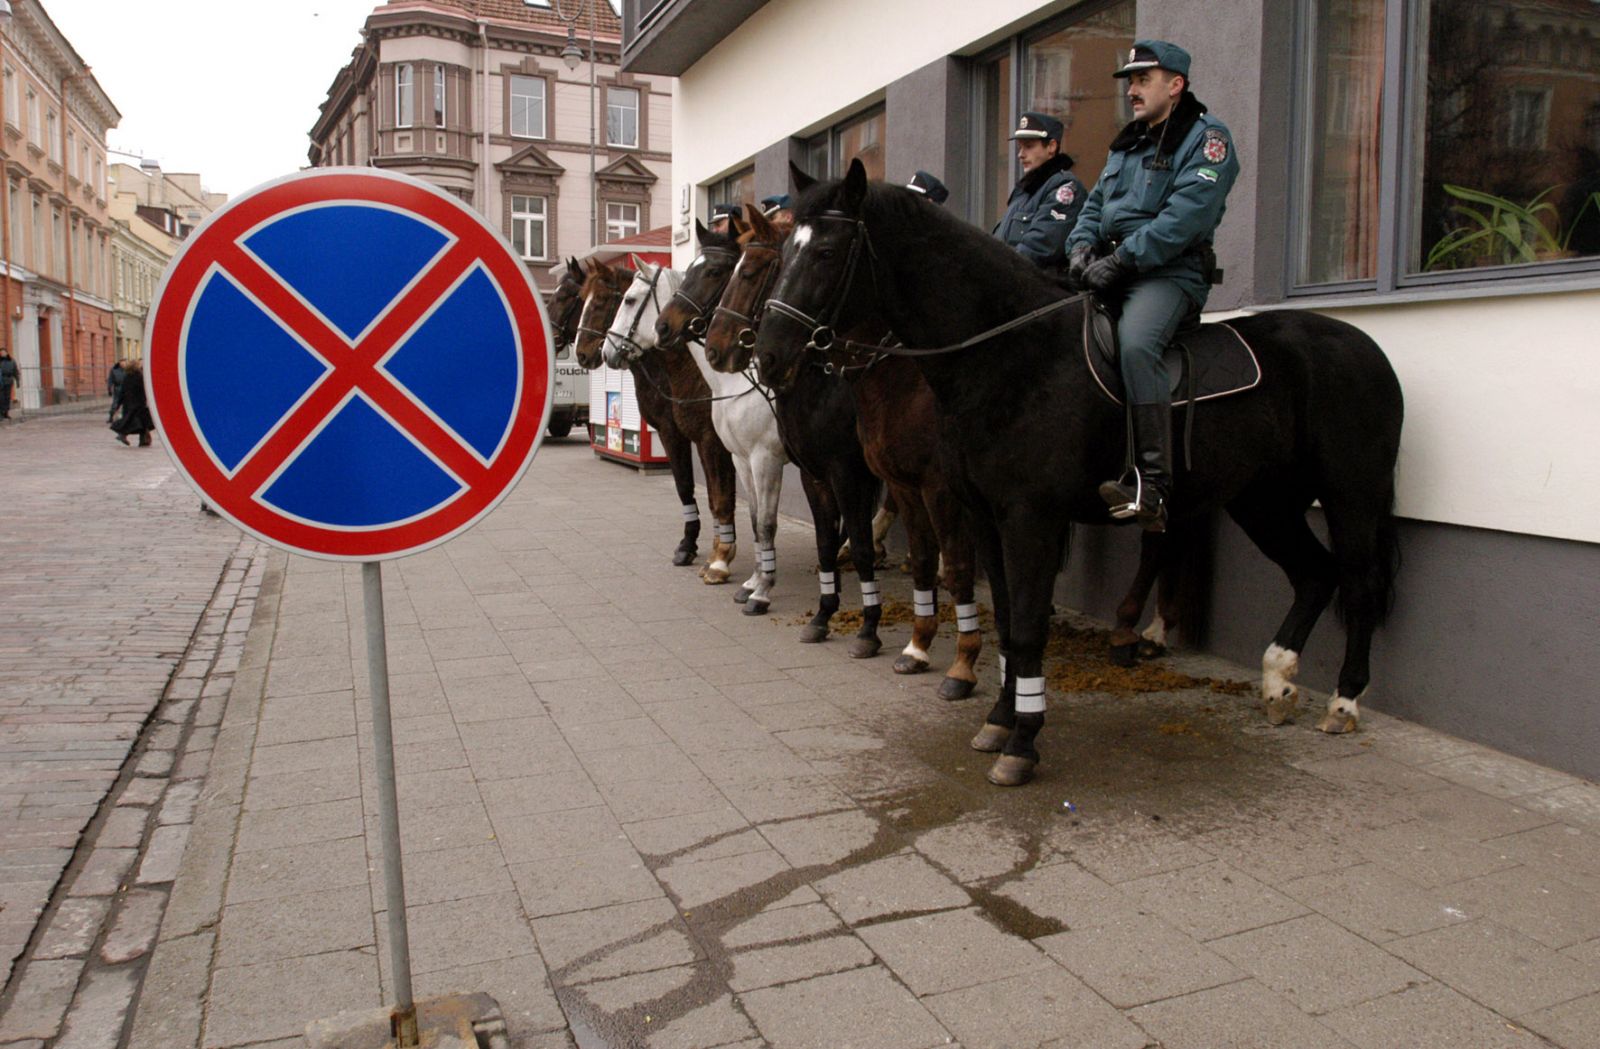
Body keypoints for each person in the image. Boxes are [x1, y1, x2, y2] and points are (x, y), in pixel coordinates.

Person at [1066, 40, 1240, 532]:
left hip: (1168, 275)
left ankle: (1153, 485)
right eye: (1131, 82)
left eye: (1144, 80)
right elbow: (1094, 208)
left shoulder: (1207, 140)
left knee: (1137, 345)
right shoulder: (1128, 143)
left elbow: (1186, 219)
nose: (1133, 91)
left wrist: (1122, 260)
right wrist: (1079, 250)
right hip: (1111, 269)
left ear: (1176, 85)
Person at [993, 111, 1086, 274]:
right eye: (1020, 147)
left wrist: (996, 269)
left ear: (1051, 147)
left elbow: (1041, 246)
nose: (1021, 154)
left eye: (1028, 146)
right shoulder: (1025, 190)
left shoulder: (1065, 188)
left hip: (1037, 284)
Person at [111, 359, 154, 446]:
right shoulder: (140, 377)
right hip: (139, 404)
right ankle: (126, 435)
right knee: (140, 422)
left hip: (128, 404)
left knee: (135, 422)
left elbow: (122, 392)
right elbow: (145, 390)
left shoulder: (126, 377)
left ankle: (142, 440)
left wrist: (118, 405)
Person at [0, 348, 17, 420]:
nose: (2, 354)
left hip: (9, 380)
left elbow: (15, 371)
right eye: (1, 353)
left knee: (7, 397)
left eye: (3, 352)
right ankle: (1, 413)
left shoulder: (12, 361)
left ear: (7, 353)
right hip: (1, 381)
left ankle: (6, 413)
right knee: (1, 398)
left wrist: (17, 381)